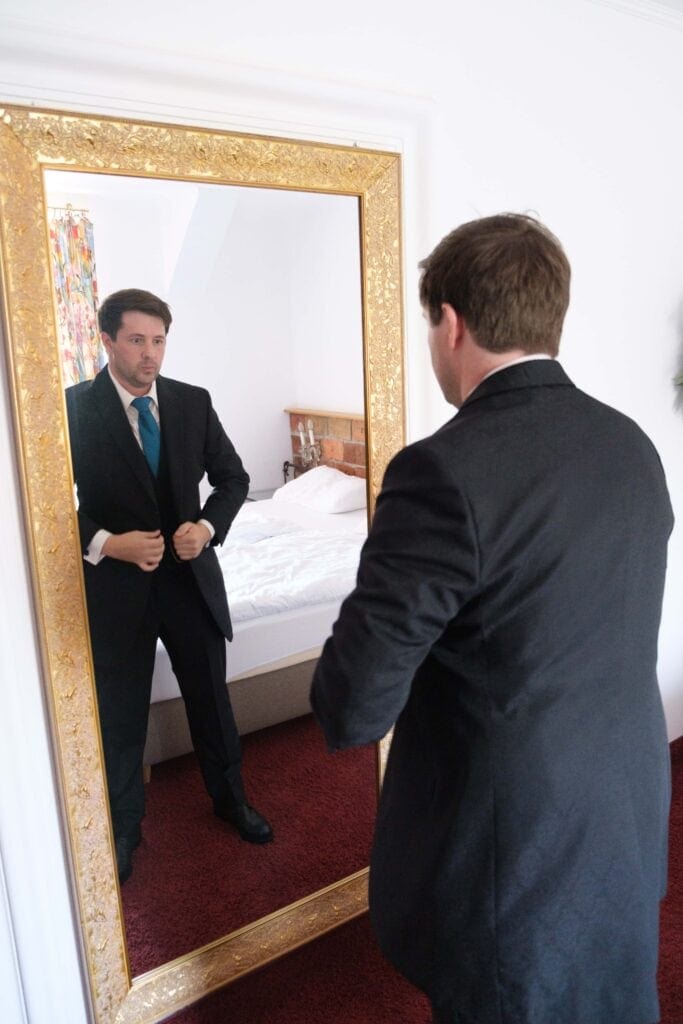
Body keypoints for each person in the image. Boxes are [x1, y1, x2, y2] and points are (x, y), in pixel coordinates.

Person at [310, 214, 673, 1024]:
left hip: (511, 843)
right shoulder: (631, 446)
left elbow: (353, 706)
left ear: (450, 323)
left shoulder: (440, 472)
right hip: (623, 793)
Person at [66, 288, 273, 884]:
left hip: (189, 583)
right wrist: (108, 543)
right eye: (136, 340)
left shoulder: (192, 402)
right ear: (107, 340)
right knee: (121, 714)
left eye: (158, 341)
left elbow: (234, 479)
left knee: (212, 702)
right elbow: (47, 504)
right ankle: (124, 829)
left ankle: (230, 800)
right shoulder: (71, 409)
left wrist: (205, 528)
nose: (150, 354)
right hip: (118, 591)